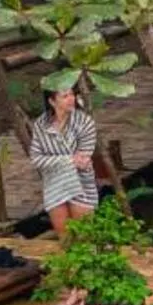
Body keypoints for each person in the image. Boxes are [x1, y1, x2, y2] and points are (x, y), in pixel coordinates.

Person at [29, 85, 101, 236]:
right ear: (52, 101)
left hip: (80, 183)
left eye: (72, 94)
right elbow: (36, 160)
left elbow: (83, 160)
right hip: (54, 184)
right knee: (65, 238)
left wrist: (54, 161)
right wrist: (69, 160)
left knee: (85, 237)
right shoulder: (41, 125)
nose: (71, 99)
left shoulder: (85, 122)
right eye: (65, 96)